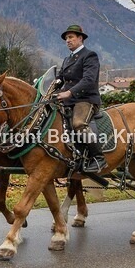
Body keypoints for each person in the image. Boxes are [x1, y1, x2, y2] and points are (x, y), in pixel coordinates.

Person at [56, 24, 104, 173]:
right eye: (66, 38)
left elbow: (89, 80)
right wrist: (51, 90)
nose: (68, 41)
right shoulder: (66, 59)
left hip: (86, 99)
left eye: (71, 37)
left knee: (78, 124)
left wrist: (69, 92)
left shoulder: (90, 56)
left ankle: (98, 158)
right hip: (68, 100)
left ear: (80, 38)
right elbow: (60, 78)